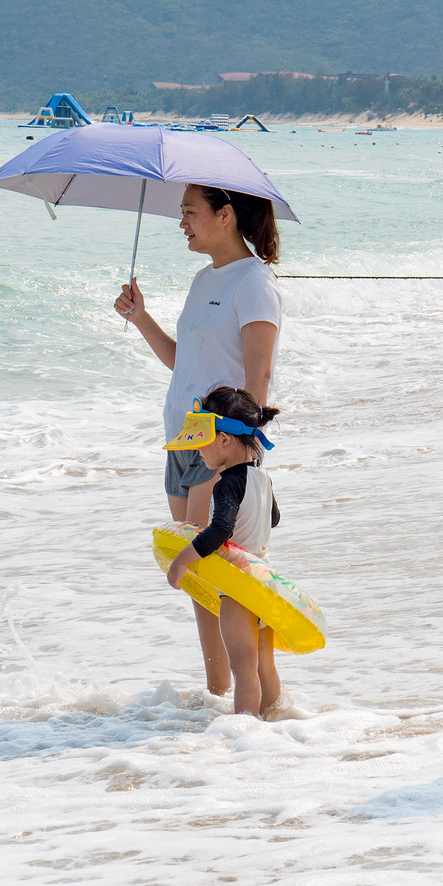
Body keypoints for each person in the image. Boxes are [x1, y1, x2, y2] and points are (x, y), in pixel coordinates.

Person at [115, 186, 282, 696]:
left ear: (225, 215)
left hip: (219, 446)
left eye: (190, 212)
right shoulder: (202, 279)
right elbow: (183, 364)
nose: (182, 222)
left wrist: (238, 453)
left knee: (221, 570)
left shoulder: (254, 283)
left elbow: (260, 375)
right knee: (199, 578)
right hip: (181, 442)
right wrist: (140, 317)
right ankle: (218, 692)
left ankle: (246, 699)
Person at [165, 386, 283, 717]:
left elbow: (219, 531)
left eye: (202, 439)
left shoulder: (227, 483)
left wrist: (180, 564)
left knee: (243, 669)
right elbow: (273, 518)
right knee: (264, 664)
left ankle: (242, 733)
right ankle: (276, 719)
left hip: (239, 588)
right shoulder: (262, 477)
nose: (197, 450)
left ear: (224, 440)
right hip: (266, 580)